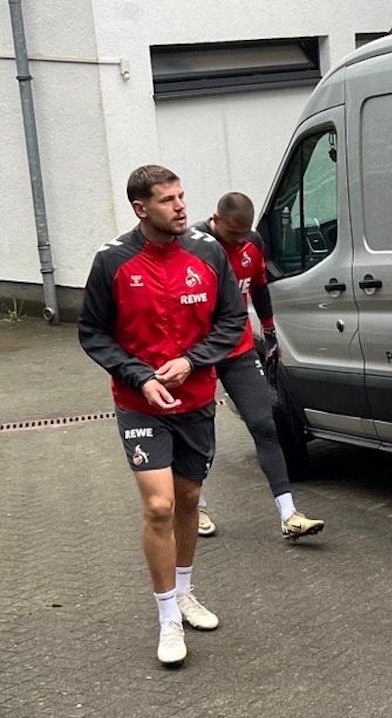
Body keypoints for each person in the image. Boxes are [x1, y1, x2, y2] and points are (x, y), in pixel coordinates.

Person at [78, 164, 247, 666]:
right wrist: (141, 376)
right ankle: (167, 616)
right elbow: (93, 332)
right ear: (140, 208)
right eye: (167, 199)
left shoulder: (207, 251)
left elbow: (232, 319)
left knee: (190, 499)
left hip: (196, 401)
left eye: (181, 196)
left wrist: (193, 359)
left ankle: (187, 591)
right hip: (140, 404)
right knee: (159, 507)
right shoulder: (112, 262)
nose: (180, 206)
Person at [192, 192, 324, 541]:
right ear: (215, 219)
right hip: (198, 353)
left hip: (237, 348)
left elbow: (260, 287)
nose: (239, 240)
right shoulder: (193, 246)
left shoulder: (252, 242)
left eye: (244, 233)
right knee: (199, 433)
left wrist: (269, 330)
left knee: (264, 423)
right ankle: (196, 507)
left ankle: (289, 514)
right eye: (233, 234)